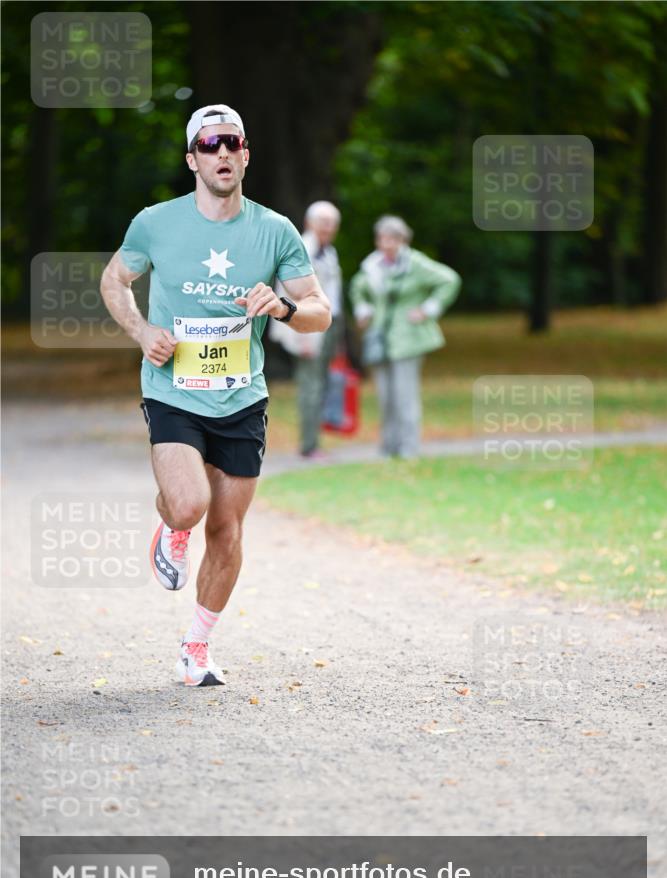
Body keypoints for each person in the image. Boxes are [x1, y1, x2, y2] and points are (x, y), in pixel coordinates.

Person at [100, 104, 331, 687]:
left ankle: (196, 647)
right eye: (209, 145)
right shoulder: (155, 223)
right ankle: (172, 527)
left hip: (242, 398)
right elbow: (115, 279)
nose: (222, 152)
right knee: (189, 503)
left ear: (246, 154)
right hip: (173, 390)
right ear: (192, 160)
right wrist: (142, 332)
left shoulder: (275, 230)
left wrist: (283, 307)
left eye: (232, 142)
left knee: (227, 530)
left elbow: (320, 312)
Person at [350, 215, 461, 459]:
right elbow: (357, 287)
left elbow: (450, 280)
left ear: (403, 240)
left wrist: (428, 309)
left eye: (393, 239)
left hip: (408, 339)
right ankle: (388, 448)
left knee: (405, 396)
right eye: (382, 239)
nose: (387, 244)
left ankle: (409, 448)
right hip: (380, 339)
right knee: (385, 397)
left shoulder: (415, 264)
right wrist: (362, 308)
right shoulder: (372, 266)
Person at [269, 200, 344, 458]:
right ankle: (309, 446)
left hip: (328, 326)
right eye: (323, 222)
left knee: (319, 384)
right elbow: (287, 293)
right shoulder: (301, 248)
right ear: (309, 222)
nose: (328, 228)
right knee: (310, 386)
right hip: (306, 328)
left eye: (332, 223)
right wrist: (301, 336)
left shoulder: (328, 251)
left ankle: (314, 442)